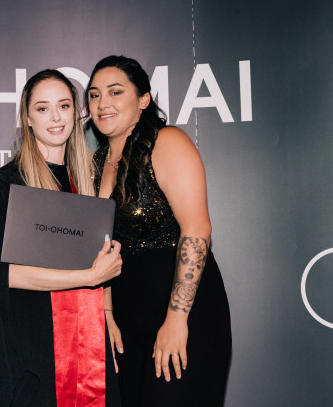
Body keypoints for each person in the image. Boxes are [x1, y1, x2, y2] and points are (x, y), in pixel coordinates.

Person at [0, 69, 123, 407]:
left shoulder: (85, 187)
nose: (56, 117)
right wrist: (89, 276)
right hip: (29, 356)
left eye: (64, 106)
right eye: (43, 108)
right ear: (27, 119)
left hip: (86, 353)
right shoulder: (3, 190)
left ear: (76, 113)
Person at [85, 56, 232, 406]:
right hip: (125, 319)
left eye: (115, 92)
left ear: (143, 99)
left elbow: (197, 229)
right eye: (93, 95)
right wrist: (106, 315)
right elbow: (100, 249)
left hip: (182, 311)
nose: (102, 103)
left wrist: (177, 319)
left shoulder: (167, 142)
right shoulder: (94, 164)